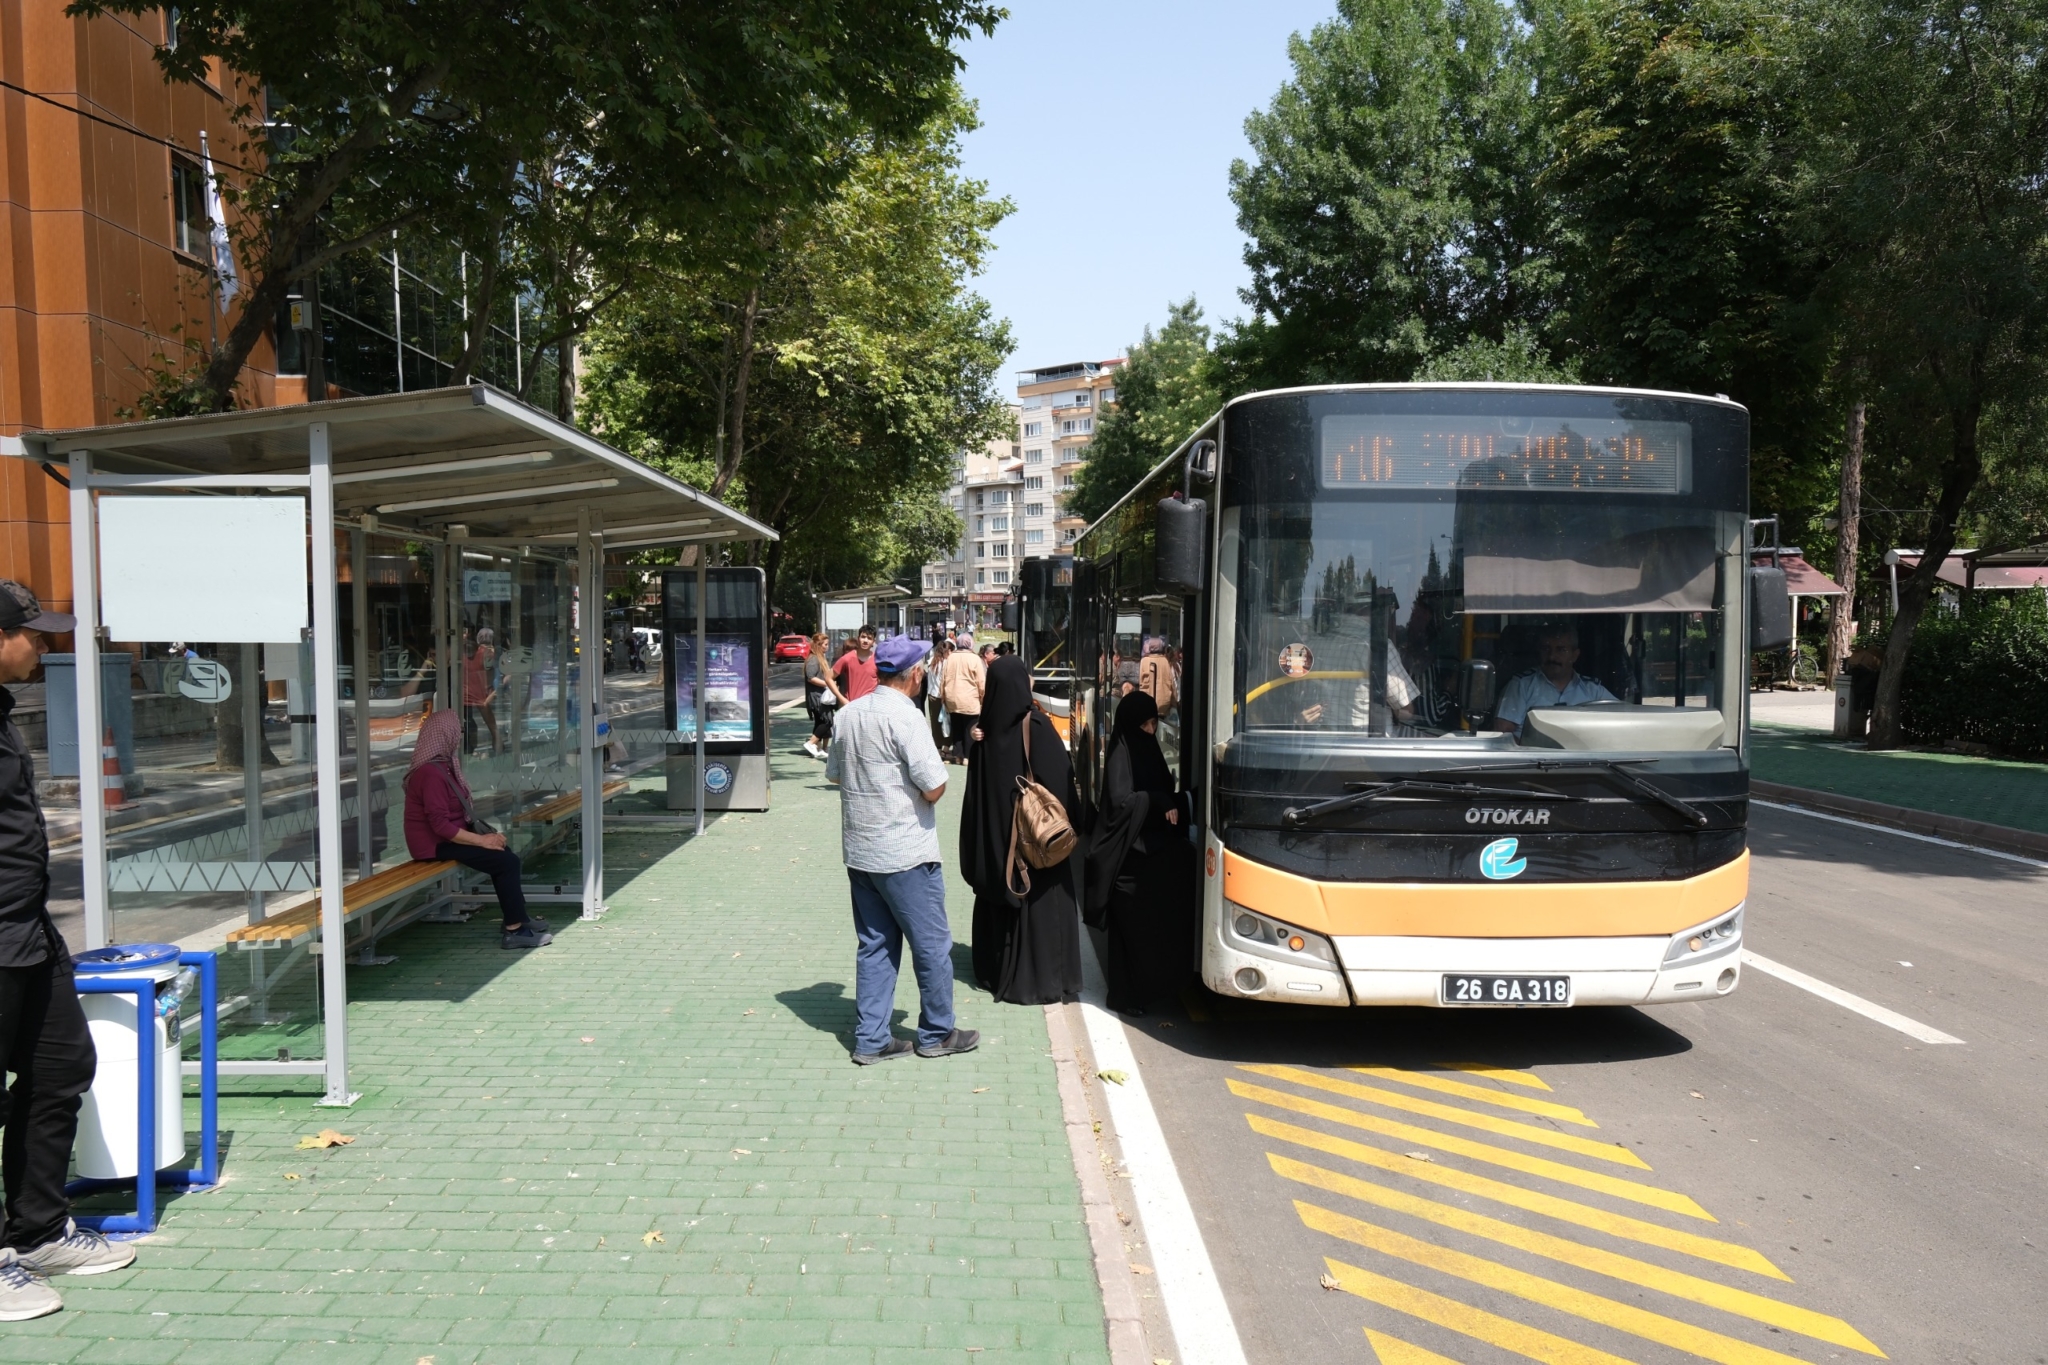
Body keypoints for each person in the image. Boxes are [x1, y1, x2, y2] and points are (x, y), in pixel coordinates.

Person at [0, 583, 134, 1316]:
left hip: (26, 927)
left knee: (62, 1066)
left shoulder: (2, 710)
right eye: (32, 634)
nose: (43, 645)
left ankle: (38, 1229)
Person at [824, 636, 978, 1065]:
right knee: (931, 945)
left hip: (861, 851)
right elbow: (934, 787)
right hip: (906, 852)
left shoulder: (848, 715)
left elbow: (835, 774)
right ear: (914, 674)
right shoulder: (907, 718)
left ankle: (871, 1040)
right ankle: (937, 1033)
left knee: (874, 945)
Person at [959, 656, 1082, 1004]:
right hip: (1035, 848)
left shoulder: (983, 736)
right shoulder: (1037, 728)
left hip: (1001, 854)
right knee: (1047, 906)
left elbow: (975, 801)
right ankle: (1045, 980)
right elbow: (1062, 782)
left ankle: (996, 972)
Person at [404, 709, 551, 949]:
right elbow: (439, 825)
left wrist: (488, 837)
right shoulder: (430, 773)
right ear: (444, 735)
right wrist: (482, 841)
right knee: (505, 862)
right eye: (457, 731)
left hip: (446, 839)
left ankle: (518, 918)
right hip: (433, 845)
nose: (460, 735)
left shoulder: (443, 765)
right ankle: (515, 930)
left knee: (505, 855)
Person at [1084, 691, 1191, 1016]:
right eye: (1143, 724)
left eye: (1153, 723)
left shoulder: (1148, 748)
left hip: (1151, 852)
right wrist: (1155, 800)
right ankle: (1124, 996)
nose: (1150, 731)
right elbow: (1120, 804)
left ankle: (1148, 990)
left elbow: (1161, 791)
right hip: (1127, 860)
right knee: (1129, 934)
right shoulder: (1121, 753)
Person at [1491, 623, 1618, 737]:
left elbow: (1623, 718)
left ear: (1575, 656)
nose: (1552, 656)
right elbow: (1502, 733)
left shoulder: (1593, 690)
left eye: (1561, 650)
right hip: (1534, 759)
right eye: (1546, 649)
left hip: (1582, 759)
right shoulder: (1521, 685)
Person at [941, 632, 986, 764]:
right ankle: (968, 756)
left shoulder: (950, 658)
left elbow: (943, 679)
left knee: (957, 728)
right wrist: (983, 698)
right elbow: (981, 682)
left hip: (952, 698)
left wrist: (943, 697)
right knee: (970, 727)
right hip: (970, 699)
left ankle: (958, 755)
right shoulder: (975, 659)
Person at [802, 631, 844, 761]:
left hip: (820, 695)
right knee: (827, 720)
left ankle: (819, 747)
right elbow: (811, 677)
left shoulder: (820, 658)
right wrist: (827, 683)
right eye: (825, 644)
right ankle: (811, 743)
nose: (827, 647)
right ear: (818, 645)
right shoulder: (814, 659)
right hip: (817, 696)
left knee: (821, 722)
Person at [462, 626, 500, 755]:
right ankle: (496, 744)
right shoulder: (488, 654)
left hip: (473, 694)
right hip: (473, 694)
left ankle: (495, 740)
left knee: (474, 720)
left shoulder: (479, 653)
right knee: (487, 724)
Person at [833, 625, 880, 704]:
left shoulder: (877, 660)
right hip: (852, 706)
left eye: (869, 638)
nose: (865, 640)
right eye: (863, 637)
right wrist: (842, 699)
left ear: (873, 642)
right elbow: (828, 677)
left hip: (871, 707)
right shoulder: (847, 658)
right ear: (858, 638)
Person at [1137, 636, 1175, 715]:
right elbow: (1171, 681)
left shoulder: (1144, 661)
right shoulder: (1165, 661)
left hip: (1147, 703)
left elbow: (1140, 681)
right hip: (1164, 704)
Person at [926, 638, 952, 751]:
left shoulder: (931, 661)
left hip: (931, 695)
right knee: (946, 722)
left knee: (935, 722)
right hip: (943, 696)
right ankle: (945, 745)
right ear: (946, 651)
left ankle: (936, 745)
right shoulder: (946, 663)